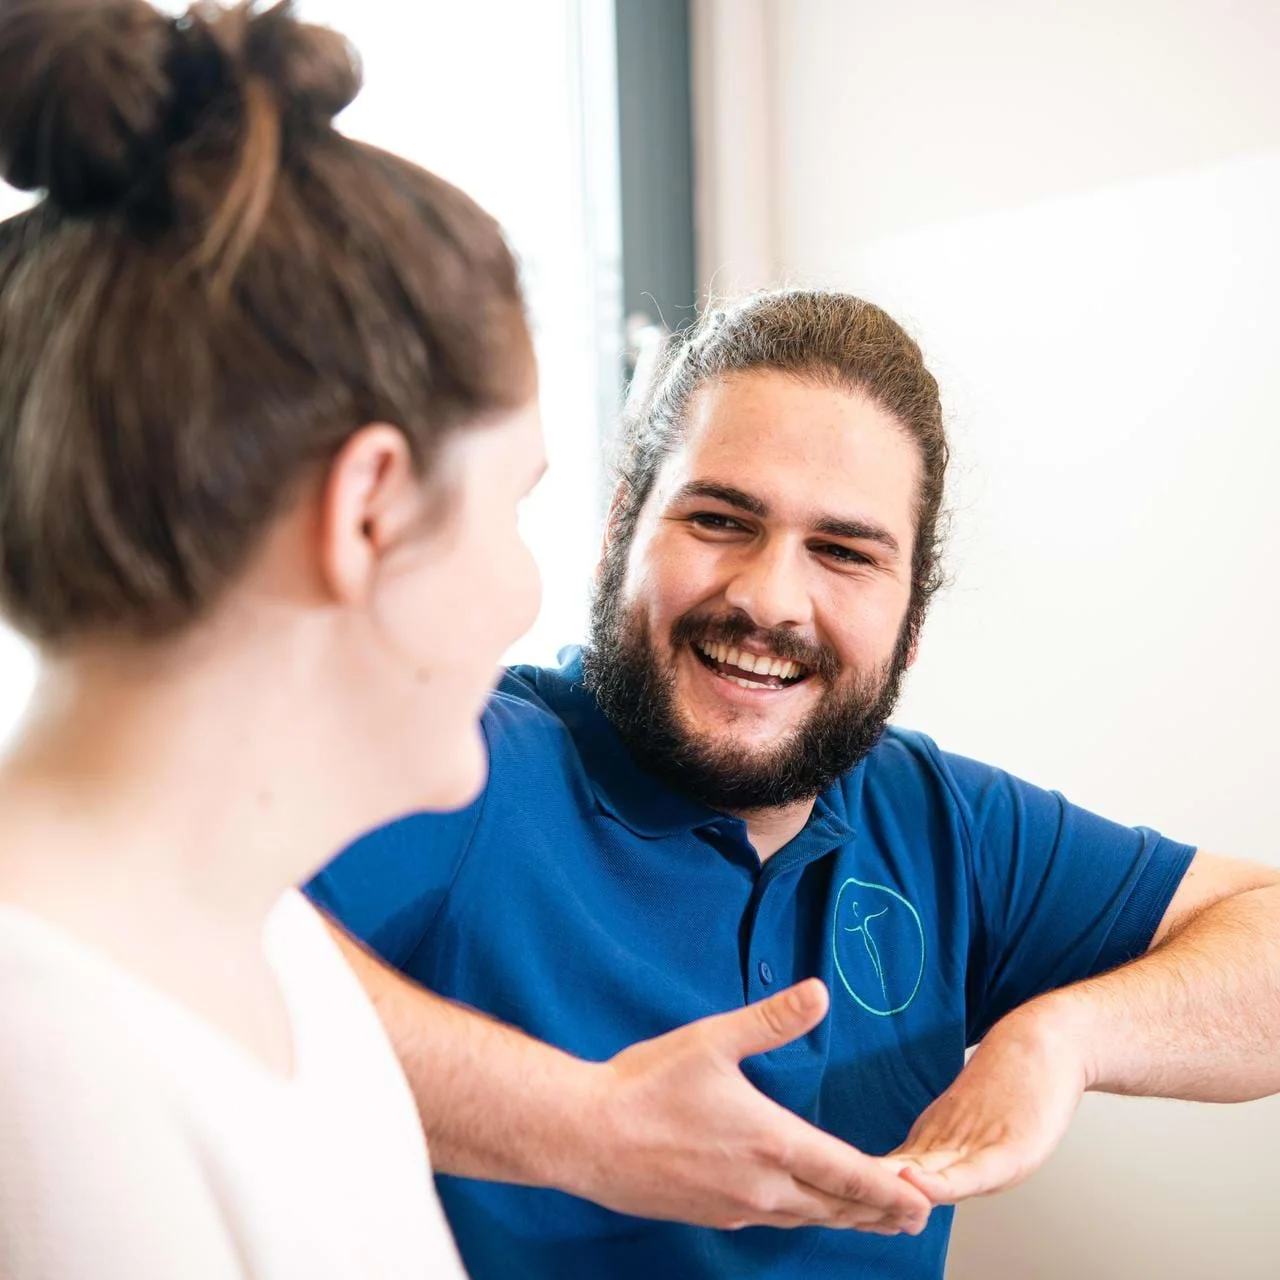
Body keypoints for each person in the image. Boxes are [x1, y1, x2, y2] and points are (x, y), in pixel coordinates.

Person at [0, 3, 932, 1275]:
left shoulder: (266, 947)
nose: (519, 594)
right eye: (509, 504)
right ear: (368, 509)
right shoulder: (54, 1075)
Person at [309, 288, 1280, 1280]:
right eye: (721, 519)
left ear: (910, 621)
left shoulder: (939, 820)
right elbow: (179, 954)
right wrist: (579, 1124)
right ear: (618, 533)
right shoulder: (469, 760)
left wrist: (1063, 1035)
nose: (770, 597)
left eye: (842, 551)